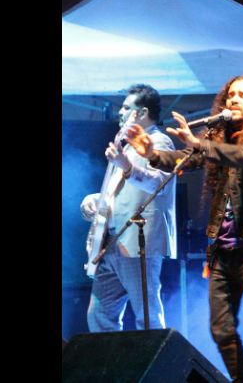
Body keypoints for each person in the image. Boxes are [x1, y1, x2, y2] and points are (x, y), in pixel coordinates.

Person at [127, 75, 243, 383]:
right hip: (222, 252)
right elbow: (183, 159)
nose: (234, 99)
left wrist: (202, 145)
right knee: (221, 329)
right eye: (231, 94)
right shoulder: (218, 139)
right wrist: (151, 153)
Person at [80, 84, 177, 332]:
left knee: (147, 315)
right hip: (111, 241)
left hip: (138, 243)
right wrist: (95, 199)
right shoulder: (126, 145)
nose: (120, 112)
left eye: (126, 107)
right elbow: (122, 192)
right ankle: (108, 359)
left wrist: (126, 166)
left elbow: (160, 183)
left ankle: (155, 358)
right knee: (100, 316)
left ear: (142, 113)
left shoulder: (159, 141)